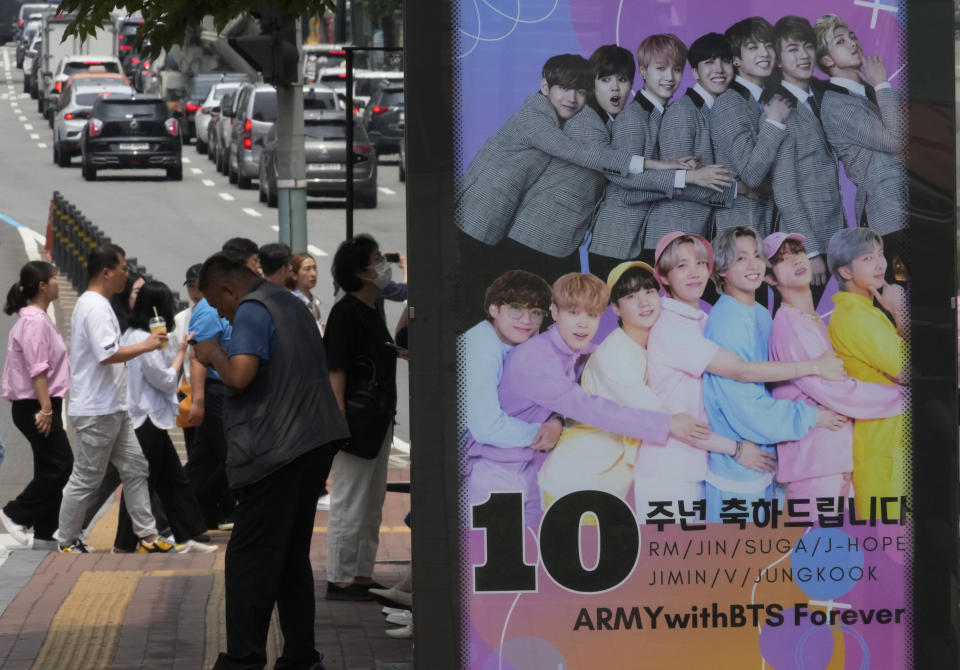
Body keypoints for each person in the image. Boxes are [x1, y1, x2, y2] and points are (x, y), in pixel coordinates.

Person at [193, 252, 346, 670]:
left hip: (276, 450)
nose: (222, 313)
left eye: (216, 302)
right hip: (312, 444)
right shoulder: (289, 302)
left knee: (249, 557)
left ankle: (243, 659)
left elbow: (241, 374)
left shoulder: (252, 308)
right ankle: (300, 656)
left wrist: (211, 354)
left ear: (228, 289)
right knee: (290, 557)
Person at [535, 262, 772, 516]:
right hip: (578, 478)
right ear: (615, 308)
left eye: (649, 292)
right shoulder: (616, 357)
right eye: (630, 296)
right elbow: (672, 424)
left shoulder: (652, 341)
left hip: (610, 479)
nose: (644, 302)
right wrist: (735, 449)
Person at [646, 232, 846, 516]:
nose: (753, 264)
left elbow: (766, 381)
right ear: (723, 270)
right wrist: (812, 414)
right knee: (736, 557)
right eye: (741, 258)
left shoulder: (757, 313)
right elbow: (743, 388)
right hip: (736, 471)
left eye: (756, 255)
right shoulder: (723, 322)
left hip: (760, 461)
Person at [495, 272, 715, 524]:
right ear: (555, 312)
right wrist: (668, 423)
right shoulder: (535, 358)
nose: (583, 324)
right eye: (573, 313)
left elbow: (569, 395)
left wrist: (556, 420)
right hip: (522, 472)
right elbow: (588, 407)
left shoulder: (580, 351)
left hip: (567, 474)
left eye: (592, 315)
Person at [508, 45, 674, 280]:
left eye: (623, 79)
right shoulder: (588, 122)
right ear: (591, 85)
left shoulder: (609, 123)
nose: (615, 87)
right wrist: (677, 176)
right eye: (605, 79)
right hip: (542, 234)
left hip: (559, 237)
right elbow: (618, 174)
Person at [764, 232, 905, 501]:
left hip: (833, 459)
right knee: (820, 543)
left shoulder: (811, 319)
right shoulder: (791, 326)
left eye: (799, 253)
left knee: (837, 542)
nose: (796, 261)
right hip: (815, 464)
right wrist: (904, 396)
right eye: (783, 260)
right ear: (769, 277)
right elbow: (837, 391)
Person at [55, 244, 175, 554]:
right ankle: (66, 539)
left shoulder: (98, 303)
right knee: (86, 477)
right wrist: (148, 345)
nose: (127, 274)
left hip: (113, 408)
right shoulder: (94, 306)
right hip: (97, 409)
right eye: (122, 268)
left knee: (135, 468)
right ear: (106, 272)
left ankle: (148, 536)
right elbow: (107, 353)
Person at [589, 34, 732, 280]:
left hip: (639, 242)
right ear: (643, 71)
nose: (670, 77)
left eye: (676, 69)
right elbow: (627, 185)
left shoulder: (662, 113)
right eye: (660, 68)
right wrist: (686, 178)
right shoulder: (633, 119)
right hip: (617, 243)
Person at [323, 234, 399, 601]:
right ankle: (339, 578)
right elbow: (334, 369)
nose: (384, 265)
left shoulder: (373, 308)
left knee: (372, 504)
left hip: (379, 420)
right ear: (362, 272)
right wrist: (339, 420)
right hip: (355, 422)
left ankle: (362, 574)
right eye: (378, 259)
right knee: (349, 501)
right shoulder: (345, 311)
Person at [113, 281, 215, 553]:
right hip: (145, 416)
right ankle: (124, 543)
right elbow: (164, 380)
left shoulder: (143, 335)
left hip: (151, 416)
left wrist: (174, 350)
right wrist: (181, 354)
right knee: (142, 481)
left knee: (172, 478)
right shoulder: (139, 338)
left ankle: (190, 532)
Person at [460, 270, 561, 522]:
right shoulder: (480, 346)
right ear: (494, 309)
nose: (527, 320)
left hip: (523, 466)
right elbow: (487, 427)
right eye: (516, 309)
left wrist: (557, 422)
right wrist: (550, 434)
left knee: (528, 552)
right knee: (497, 555)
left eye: (536, 312)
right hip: (482, 471)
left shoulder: (526, 339)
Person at [814, 13, 908, 281]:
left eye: (852, 37)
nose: (853, 43)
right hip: (887, 214)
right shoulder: (837, 105)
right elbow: (897, 141)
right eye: (840, 41)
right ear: (827, 60)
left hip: (909, 206)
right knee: (899, 294)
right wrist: (882, 84)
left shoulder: (866, 90)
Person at [826, 227, 908, 517]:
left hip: (887, 433)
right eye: (867, 258)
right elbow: (911, 369)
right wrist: (900, 313)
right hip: (884, 437)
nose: (880, 263)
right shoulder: (856, 316)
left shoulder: (865, 310)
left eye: (880, 254)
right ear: (845, 272)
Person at [768, 16, 846, 302]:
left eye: (807, 47)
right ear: (777, 59)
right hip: (803, 240)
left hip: (834, 231)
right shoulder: (778, 108)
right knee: (796, 320)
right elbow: (785, 191)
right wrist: (809, 252)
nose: (803, 56)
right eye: (792, 49)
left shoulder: (825, 95)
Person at [0, 261, 72, 549]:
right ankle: (14, 514)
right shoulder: (33, 322)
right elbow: (37, 369)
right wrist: (46, 409)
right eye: (54, 278)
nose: (57, 282)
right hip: (35, 404)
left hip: (41, 402)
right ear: (42, 286)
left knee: (48, 467)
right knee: (62, 465)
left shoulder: (39, 318)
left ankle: (45, 533)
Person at [644, 32, 737, 247]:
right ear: (695, 71)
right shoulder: (683, 112)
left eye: (725, 61)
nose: (719, 69)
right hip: (673, 233)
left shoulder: (719, 109)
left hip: (697, 235)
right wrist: (738, 190)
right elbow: (678, 183)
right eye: (709, 62)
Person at [710, 17, 791, 237]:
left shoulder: (770, 99)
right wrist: (774, 122)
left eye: (768, 45)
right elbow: (752, 174)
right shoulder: (730, 102)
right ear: (736, 60)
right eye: (753, 47)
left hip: (769, 223)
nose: (764, 53)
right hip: (742, 227)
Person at [288, 252, 323, 326]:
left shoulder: (313, 302)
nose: (314, 274)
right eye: (307, 269)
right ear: (294, 275)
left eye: (314, 268)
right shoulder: (292, 303)